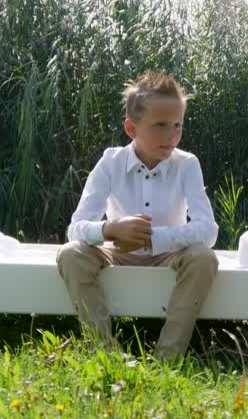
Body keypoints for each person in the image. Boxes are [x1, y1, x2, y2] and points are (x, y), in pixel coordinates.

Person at [56, 71, 219, 360]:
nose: (172, 135)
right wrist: (110, 230)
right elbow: (75, 228)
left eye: (178, 125)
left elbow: (208, 230)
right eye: (160, 125)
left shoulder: (187, 164)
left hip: (169, 254)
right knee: (71, 254)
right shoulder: (111, 162)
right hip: (118, 252)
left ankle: (167, 357)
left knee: (203, 258)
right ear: (132, 128)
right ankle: (105, 354)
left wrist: (153, 238)